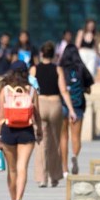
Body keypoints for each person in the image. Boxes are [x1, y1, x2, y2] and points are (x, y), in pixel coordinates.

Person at [30, 42, 77, 188]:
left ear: (41, 54)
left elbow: (32, 89)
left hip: (41, 104)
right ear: (53, 55)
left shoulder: (34, 69)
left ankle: (41, 178)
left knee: (41, 142)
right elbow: (63, 90)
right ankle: (54, 177)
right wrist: (71, 109)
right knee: (55, 142)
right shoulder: (58, 69)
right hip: (55, 104)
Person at [0, 62, 41, 200]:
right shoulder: (31, 90)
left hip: (8, 130)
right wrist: (39, 131)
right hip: (26, 131)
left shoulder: (5, 90)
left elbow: (0, 115)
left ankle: (12, 198)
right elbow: (37, 114)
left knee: (12, 168)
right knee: (22, 167)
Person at [58, 45, 93, 176]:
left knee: (63, 137)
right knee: (76, 137)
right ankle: (75, 156)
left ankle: (65, 169)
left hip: (62, 105)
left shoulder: (60, 70)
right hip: (78, 105)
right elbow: (89, 89)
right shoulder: (81, 69)